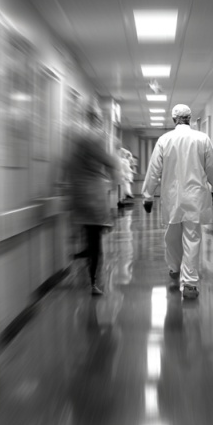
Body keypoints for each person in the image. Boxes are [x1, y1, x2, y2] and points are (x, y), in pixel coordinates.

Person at [141, 104, 213, 300]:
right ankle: (190, 283)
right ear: (190, 118)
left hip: (172, 198)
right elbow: (212, 167)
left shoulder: (164, 140)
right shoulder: (203, 139)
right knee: (192, 238)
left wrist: (147, 195)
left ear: (174, 119)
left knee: (172, 236)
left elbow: (154, 170)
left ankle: (177, 270)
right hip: (195, 197)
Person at [63, 107, 119, 296]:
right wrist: (112, 184)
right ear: (95, 120)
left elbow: (67, 167)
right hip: (93, 197)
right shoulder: (92, 139)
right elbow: (112, 163)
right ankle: (93, 282)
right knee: (95, 241)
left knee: (87, 235)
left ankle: (80, 257)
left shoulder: (73, 141)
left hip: (77, 196)